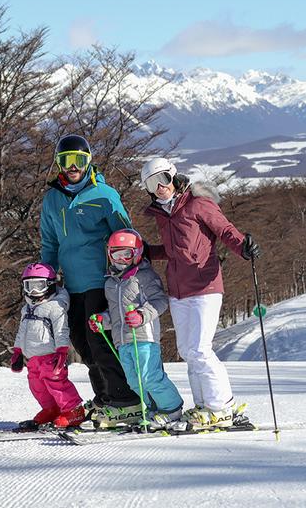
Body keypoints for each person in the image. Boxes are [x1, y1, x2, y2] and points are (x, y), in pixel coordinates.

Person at [140, 157, 262, 429]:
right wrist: (149, 251)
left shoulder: (198, 203)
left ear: (174, 177)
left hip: (205, 286)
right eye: (152, 183)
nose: (160, 187)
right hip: (178, 290)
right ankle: (203, 405)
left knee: (200, 349)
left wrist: (243, 246)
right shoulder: (163, 214)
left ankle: (222, 407)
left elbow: (225, 231)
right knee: (186, 350)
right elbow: (175, 251)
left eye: (163, 179)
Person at [40, 134, 141, 424]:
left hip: (101, 280)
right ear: (58, 164)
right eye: (66, 161)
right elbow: (49, 243)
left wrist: (128, 274)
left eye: (79, 161)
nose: (72, 167)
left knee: (102, 343)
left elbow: (126, 237)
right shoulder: (52, 199)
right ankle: (105, 398)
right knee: (82, 344)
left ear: (89, 162)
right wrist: (47, 278)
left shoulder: (104, 195)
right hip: (71, 284)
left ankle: (126, 399)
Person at [88, 228, 184, 427]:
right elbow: (116, 315)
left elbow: (160, 301)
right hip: (122, 340)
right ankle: (153, 409)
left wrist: (141, 315)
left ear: (138, 253)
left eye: (127, 254)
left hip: (143, 337)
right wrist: (102, 320)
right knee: (134, 382)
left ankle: (171, 409)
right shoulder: (111, 282)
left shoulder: (145, 276)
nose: (121, 259)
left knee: (150, 377)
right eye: (116, 254)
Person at [11, 263, 85, 430]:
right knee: (37, 385)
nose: (34, 292)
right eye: (29, 286)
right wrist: (17, 351)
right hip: (32, 358)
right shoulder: (27, 308)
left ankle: (74, 410)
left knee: (56, 384)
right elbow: (22, 331)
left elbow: (61, 331)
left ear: (50, 285)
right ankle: (52, 409)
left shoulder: (55, 307)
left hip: (51, 356)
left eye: (39, 286)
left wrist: (62, 351)